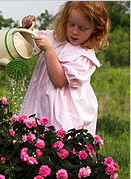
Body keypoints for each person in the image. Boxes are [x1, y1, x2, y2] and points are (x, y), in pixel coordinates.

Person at [20, 1, 109, 137]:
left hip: (64, 111)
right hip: (41, 103)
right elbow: (28, 43)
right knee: (35, 139)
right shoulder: (54, 38)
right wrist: (27, 29)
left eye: (82, 28)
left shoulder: (84, 57)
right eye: (71, 24)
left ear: (95, 30)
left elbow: (59, 81)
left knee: (61, 142)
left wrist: (49, 50)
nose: (74, 31)